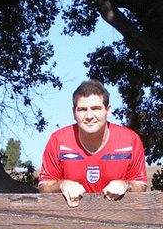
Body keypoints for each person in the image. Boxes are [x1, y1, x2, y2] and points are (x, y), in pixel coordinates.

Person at [38, 79, 147, 207]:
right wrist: (62, 184)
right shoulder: (58, 140)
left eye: (96, 108)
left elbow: (141, 185)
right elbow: (44, 186)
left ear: (108, 110)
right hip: (71, 221)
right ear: (74, 113)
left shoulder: (130, 140)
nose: (89, 116)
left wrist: (125, 185)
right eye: (82, 109)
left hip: (117, 220)